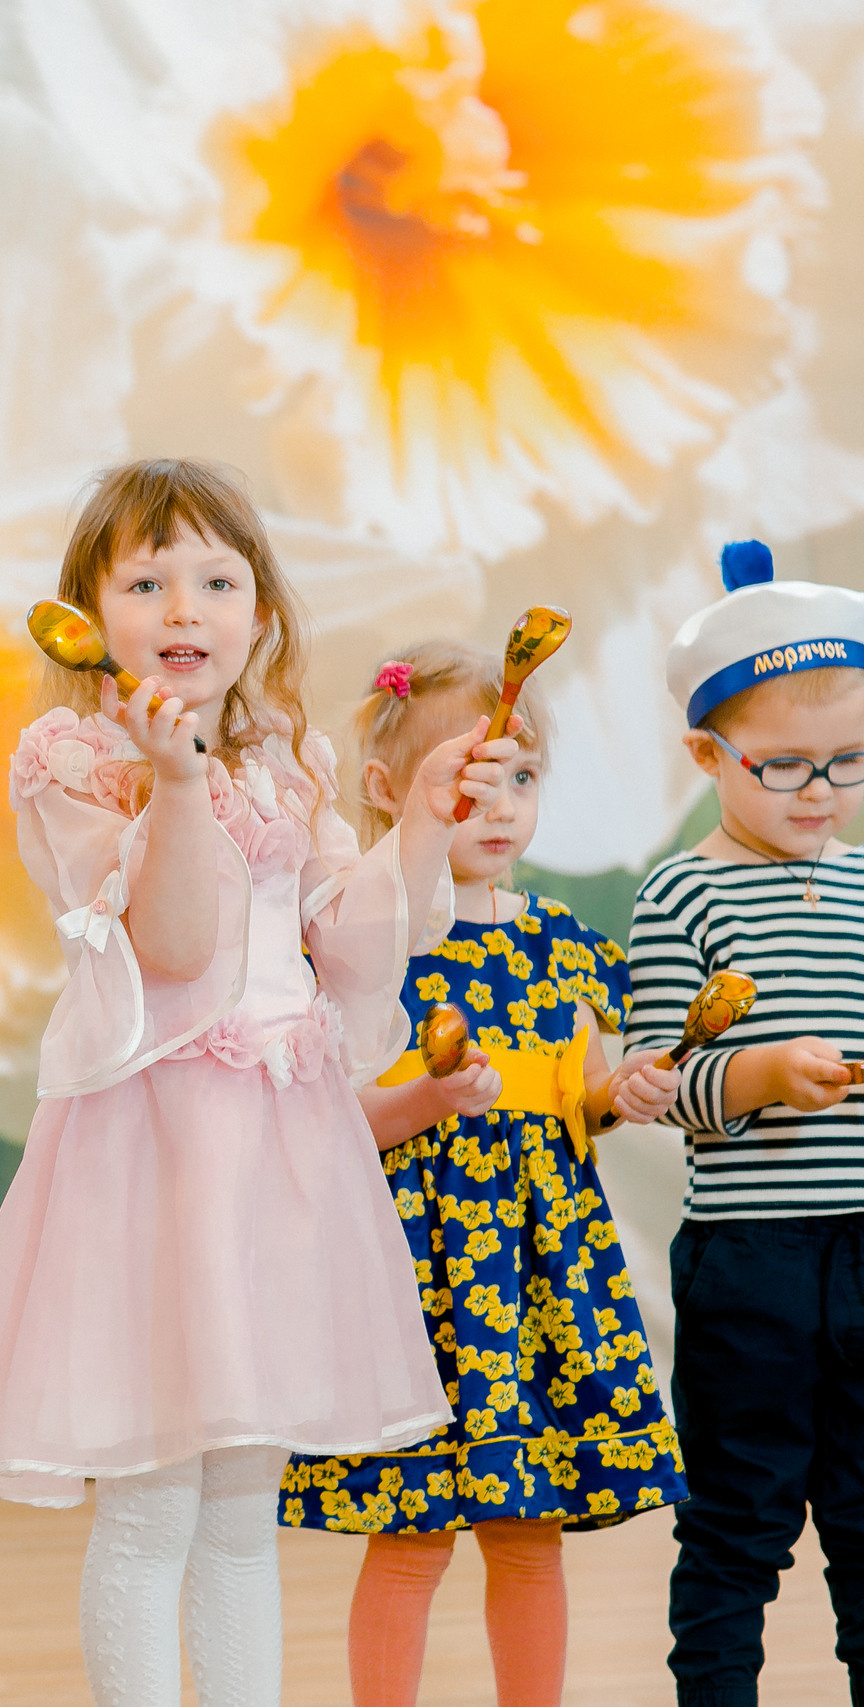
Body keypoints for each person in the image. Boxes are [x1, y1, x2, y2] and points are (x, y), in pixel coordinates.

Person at [0, 459, 523, 1707]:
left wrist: (414, 823)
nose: (182, 608)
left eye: (215, 580)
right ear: (86, 614)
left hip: (276, 1152)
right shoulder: (75, 757)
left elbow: (352, 946)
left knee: (245, 1510)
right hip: (154, 1147)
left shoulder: (285, 754)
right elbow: (176, 947)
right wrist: (178, 780)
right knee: (151, 1510)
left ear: (261, 613)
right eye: (145, 581)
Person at [281, 640, 688, 1707]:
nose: (499, 806)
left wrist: (622, 1093)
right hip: (417, 1277)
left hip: (541, 1270)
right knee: (411, 1532)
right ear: (384, 792)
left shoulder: (558, 941)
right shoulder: (365, 947)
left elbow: (582, 1090)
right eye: (467, 781)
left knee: (528, 1529)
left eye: (521, 777)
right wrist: (424, 1099)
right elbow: (333, 1127)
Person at [627, 540, 864, 1707]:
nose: (819, 791)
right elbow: (663, 1082)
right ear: (706, 755)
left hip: (862, 1246)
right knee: (737, 1524)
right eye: (784, 766)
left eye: (849, 762)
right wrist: (763, 1070)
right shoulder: (683, 894)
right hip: (751, 1261)